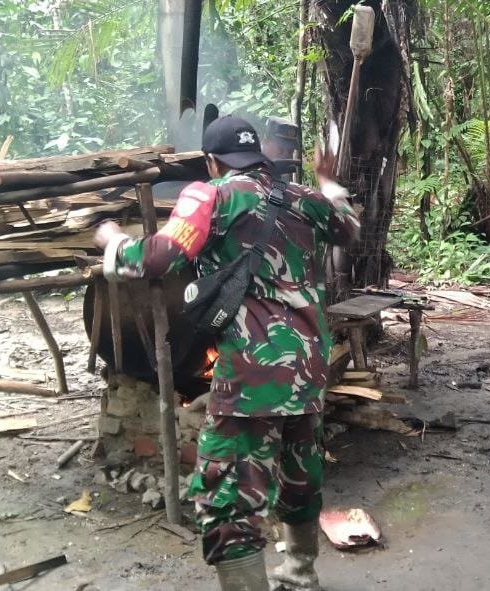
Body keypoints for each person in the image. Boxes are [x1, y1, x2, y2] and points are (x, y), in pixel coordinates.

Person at [93, 115, 359, 591]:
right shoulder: (302, 198)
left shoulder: (210, 194)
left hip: (253, 373)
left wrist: (112, 241)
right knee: (299, 473)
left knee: (227, 495)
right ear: (258, 158)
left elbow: (159, 257)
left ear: (213, 162)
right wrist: (327, 180)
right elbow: (348, 229)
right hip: (310, 366)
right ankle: (300, 573)